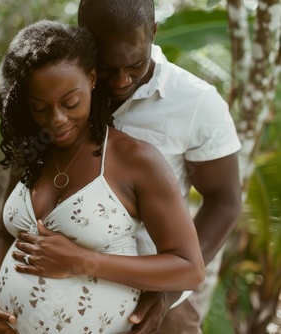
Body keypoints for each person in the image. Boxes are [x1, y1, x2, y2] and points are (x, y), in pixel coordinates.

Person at [0, 19, 205, 334]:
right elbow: (7, 235)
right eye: (40, 108)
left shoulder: (136, 161)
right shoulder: (31, 153)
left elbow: (189, 269)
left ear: (93, 79)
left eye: (70, 103)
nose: (57, 120)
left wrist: (79, 261)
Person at [65, 1, 240, 332]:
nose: (120, 80)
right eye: (106, 67)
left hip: (155, 301)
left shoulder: (197, 103)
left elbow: (225, 201)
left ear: (154, 32)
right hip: (67, 286)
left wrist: (167, 291)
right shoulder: (63, 89)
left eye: (135, 64)